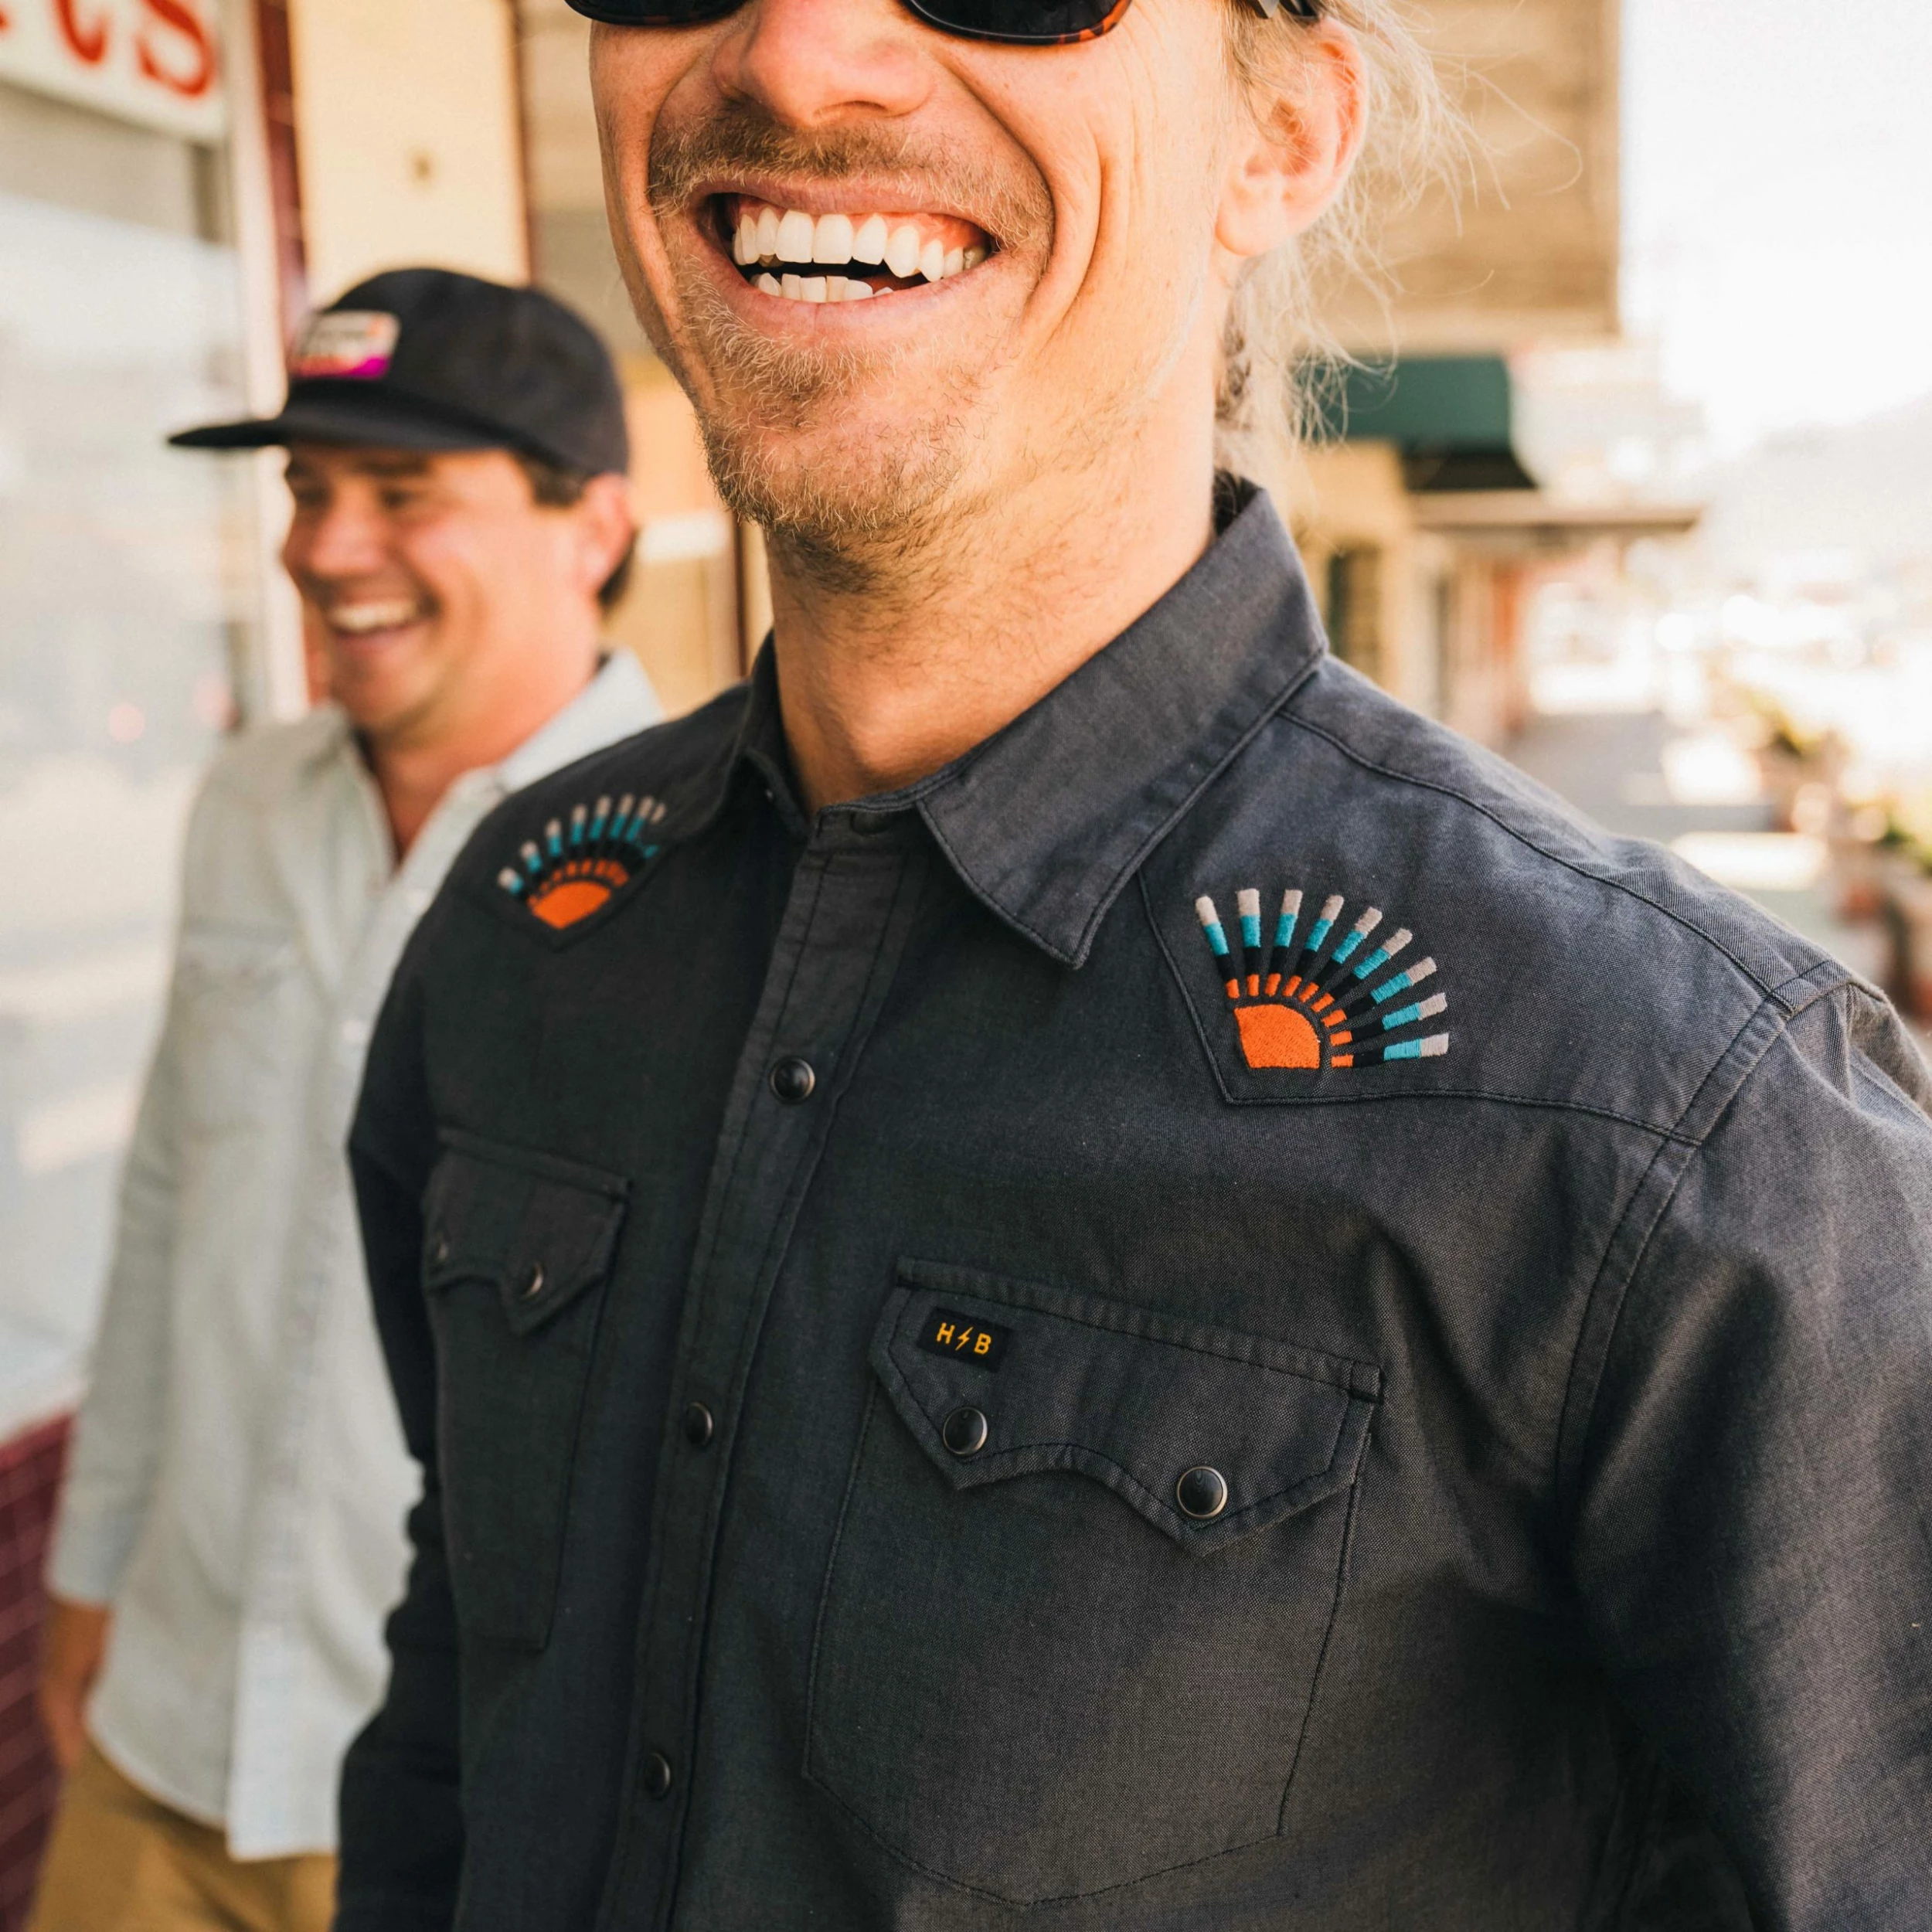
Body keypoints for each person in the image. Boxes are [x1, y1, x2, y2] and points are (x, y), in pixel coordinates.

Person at [338, 4, 1932, 1929]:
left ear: (1282, 135)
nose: (799, 54)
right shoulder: (528, 923)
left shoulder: (1673, 1119)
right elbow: (457, 1694)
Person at [31, 267, 661, 1932]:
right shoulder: (247, 803)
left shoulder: (696, 863)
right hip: (165, 1731)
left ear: (591, 525)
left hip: (465, 1799)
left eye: (400, 490)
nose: (323, 547)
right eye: (309, 491)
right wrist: (89, 1576)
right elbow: (169, 1209)